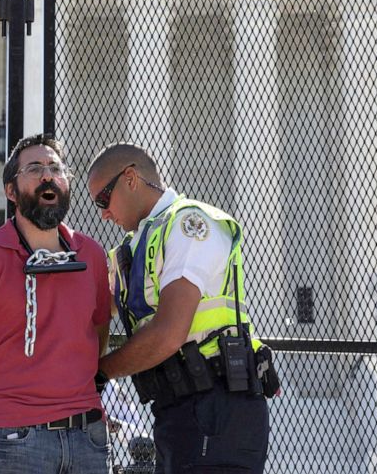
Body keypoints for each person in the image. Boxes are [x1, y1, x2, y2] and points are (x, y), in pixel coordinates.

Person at [0, 134, 111, 474]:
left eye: (55, 168)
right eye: (35, 168)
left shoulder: (93, 257)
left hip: (88, 438)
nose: (47, 176)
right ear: (11, 192)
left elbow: (95, 342)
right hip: (14, 441)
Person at [86, 143, 271, 473]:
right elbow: (90, 310)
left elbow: (169, 334)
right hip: (177, 409)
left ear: (130, 178)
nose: (103, 213)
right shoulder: (132, 249)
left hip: (216, 407)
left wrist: (98, 374)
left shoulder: (190, 225)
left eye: (103, 199)